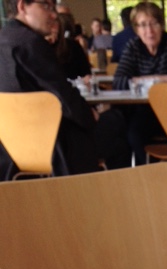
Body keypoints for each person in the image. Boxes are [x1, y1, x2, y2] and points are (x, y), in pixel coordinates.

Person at [0, 0, 118, 179]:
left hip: (11, 149)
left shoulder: (4, 39)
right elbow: (63, 97)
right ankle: (111, 191)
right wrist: (89, 114)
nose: (53, 14)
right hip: (54, 146)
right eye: (46, 5)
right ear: (22, 6)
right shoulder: (30, 43)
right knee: (117, 124)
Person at [113, 1, 167, 165]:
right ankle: (150, 172)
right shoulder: (133, 46)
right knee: (132, 135)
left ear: (161, 25)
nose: (149, 31)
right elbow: (118, 82)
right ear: (136, 29)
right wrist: (161, 79)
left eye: (154, 23)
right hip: (144, 110)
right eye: (142, 25)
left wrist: (138, 80)